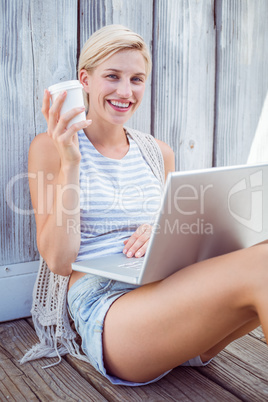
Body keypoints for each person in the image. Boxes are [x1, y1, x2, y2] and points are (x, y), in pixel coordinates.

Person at [26, 24, 268, 386]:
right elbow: (59, 261)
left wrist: (162, 230)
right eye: (112, 76)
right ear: (85, 80)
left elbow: (182, 238)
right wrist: (72, 160)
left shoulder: (158, 152)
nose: (126, 91)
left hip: (168, 298)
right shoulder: (51, 147)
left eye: (137, 79)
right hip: (109, 313)